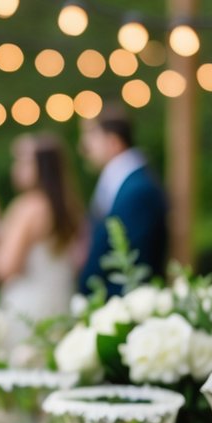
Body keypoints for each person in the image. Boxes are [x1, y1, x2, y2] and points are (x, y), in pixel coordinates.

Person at [0, 134, 81, 346]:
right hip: (60, 304)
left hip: (26, 313)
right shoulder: (69, 207)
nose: (16, 168)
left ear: (41, 167)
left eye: (22, 162)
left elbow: (4, 270)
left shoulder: (28, 207)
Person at [78, 104, 167, 294]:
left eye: (91, 136)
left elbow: (135, 259)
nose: (83, 147)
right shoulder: (116, 183)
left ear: (113, 141)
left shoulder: (138, 190)